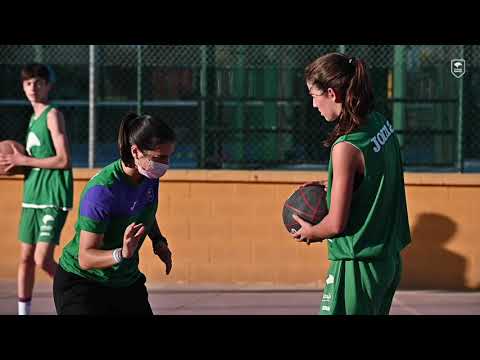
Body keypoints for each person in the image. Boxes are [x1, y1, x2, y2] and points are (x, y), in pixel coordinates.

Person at [291, 53, 411, 315]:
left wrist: (311, 233)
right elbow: (376, 174)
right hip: (387, 260)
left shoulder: (345, 147)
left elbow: (335, 223)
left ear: (332, 93)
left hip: (356, 266)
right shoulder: (379, 123)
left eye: (314, 95)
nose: (313, 104)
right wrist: (334, 182)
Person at [53, 112, 175, 315]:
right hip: (83, 284)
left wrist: (158, 241)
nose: (166, 163)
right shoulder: (102, 191)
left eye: (168, 156)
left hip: (124, 283)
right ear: (135, 151)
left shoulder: (149, 176)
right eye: (159, 157)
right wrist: (123, 253)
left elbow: (145, 210)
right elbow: (86, 257)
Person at [0, 63, 74, 315]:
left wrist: (23, 160)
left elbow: (64, 160)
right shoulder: (32, 119)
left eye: (38, 82)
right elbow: (36, 161)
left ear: (48, 86)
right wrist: (15, 164)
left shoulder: (52, 115)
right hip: (31, 196)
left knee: (42, 260)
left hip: (52, 196)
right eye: (28, 83)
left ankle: (82, 292)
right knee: (25, 260)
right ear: (23, 86)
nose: (33, 87)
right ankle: (23, 312)